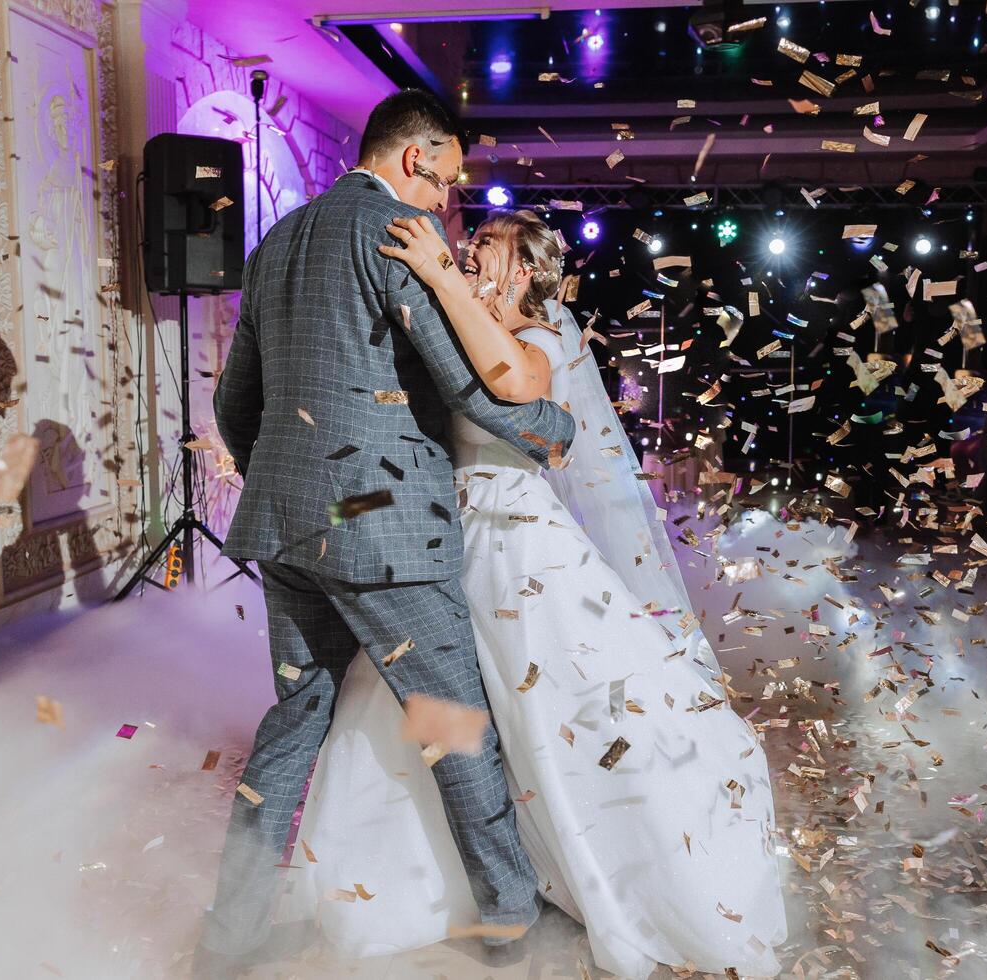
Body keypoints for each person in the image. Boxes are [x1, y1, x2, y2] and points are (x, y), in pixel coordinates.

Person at [276, 208, 787, 978]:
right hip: (443, 543)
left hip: (521, 552)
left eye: (485, 245)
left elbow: (511, 385)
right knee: (418, 713)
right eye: (469, 243)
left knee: (561, 713)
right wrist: (334, 506)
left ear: (522, 270)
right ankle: (428, 886)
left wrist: (444, 279)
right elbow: (411, 459)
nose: (469, 250)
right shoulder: (447, 336)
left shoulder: (544, 339)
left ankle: (608, 871)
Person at [196, 90, 576, 980]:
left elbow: (230, 404)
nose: (446, 205)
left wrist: (295, 490)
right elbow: (466, 389)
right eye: (445, 183)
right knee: (454, 723)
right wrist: (553, 431)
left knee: (292, 726)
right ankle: (513, 916)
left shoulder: (276, 241)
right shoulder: (398, 236)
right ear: (416, 159)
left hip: (301, 526)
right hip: (385, 526)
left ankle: (231, 938)